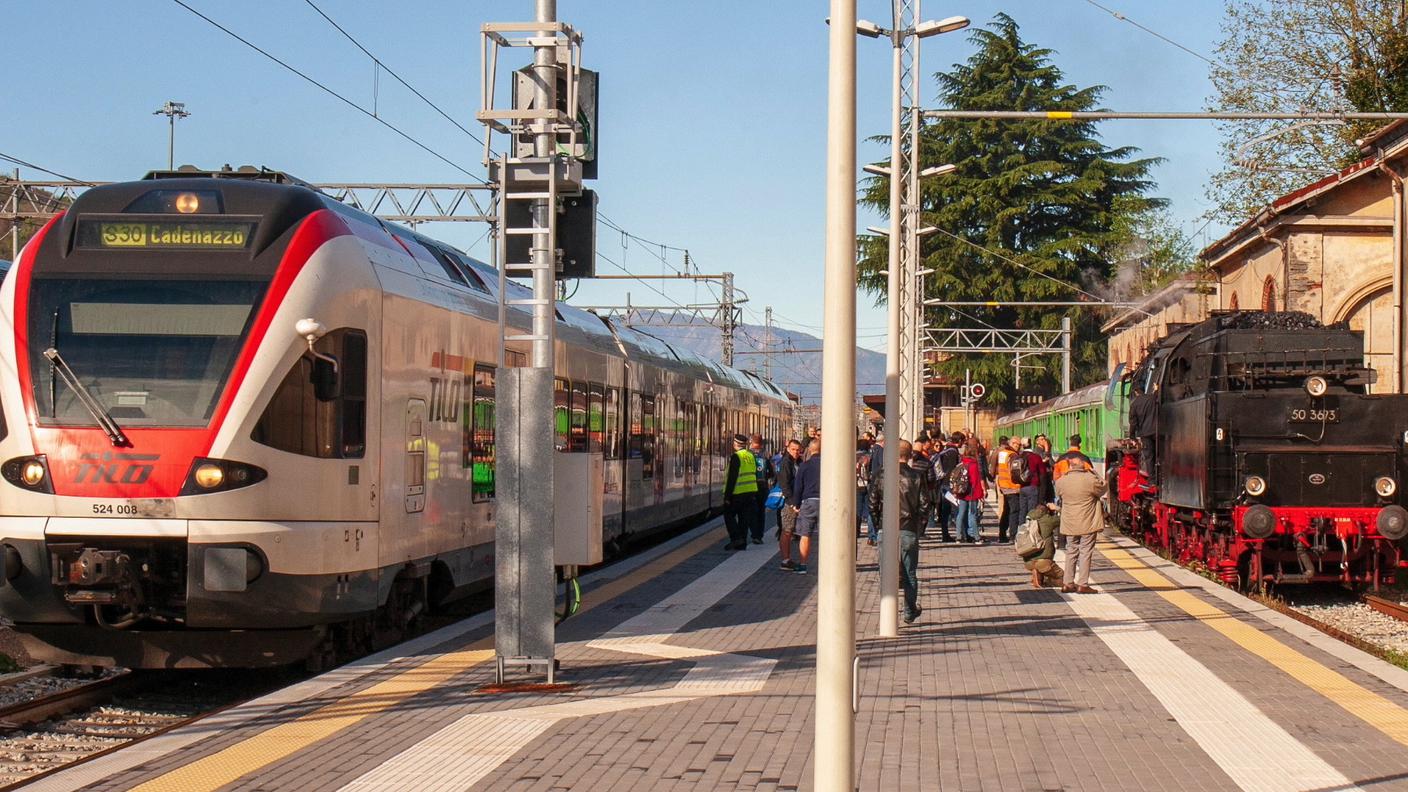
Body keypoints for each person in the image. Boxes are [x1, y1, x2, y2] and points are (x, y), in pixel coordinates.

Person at [869, 440, 933, 623]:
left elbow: (872, 503)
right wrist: (918, 526)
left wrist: (879, 524)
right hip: (908, 529)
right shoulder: (916, 476)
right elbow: (924, 505)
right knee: (909, 573)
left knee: (885, 572)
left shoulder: (880, 475)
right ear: (910, 454)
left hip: (886, 529)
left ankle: (886, 611)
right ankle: (909, 611)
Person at [1055, 457, 1105, 593]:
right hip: (1087, 522)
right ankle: (1082, 584)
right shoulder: (1090, 479)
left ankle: (1067, 583)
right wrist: (1095, 472)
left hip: (1070, 522)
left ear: (1070, 467)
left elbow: (1058, 493)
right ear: (1083, 467)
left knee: (1071, 551)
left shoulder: (1062, 481)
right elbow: (1103, 488)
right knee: (1085, 552)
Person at [722, 433, 760, 551]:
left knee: (728, 515)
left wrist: (727, 496)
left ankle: (736, 538)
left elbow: (732, 478)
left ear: (735, 444)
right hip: (751, 492)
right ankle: (742, 543)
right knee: (744, 518)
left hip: (737, 493)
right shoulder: (750, 456)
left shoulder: (736, 457)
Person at [790, 437, 822, 574]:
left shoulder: (804, 466)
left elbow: (798, 487)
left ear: (809, 450)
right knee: (826, 535)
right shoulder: (830, 464)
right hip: (825, 502)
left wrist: (796, 505)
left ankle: (803, 565)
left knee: (805, 534)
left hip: (808, 502)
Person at [1022, 502, 1064, 589]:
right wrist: (1057, 508)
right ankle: (1043, 576)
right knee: (1065, 579)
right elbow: (1067, 516)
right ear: (1047, 511)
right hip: (1044, 562)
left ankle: (1038, 575)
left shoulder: (1028, 519)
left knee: (1042, 568)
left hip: (1028, 562)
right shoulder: (1048, 520)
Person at [776, 439, 803, 570]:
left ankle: (788, 558)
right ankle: (785, 560)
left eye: (798, 450)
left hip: (797, 500)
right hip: (789, 502)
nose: (796, 452)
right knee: (786, 530)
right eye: (793, 449)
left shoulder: (798, 462)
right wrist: (792, 502)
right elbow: (784, 484)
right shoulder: (786, 463)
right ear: (788, 449)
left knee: (791, 530)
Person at [954, 438, 987, 543]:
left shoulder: (961, 462)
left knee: (961, 513)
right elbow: (976, 481)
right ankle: (976, 537)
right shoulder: (974, 465)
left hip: (962, 492)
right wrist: (981, 494)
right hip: (972, 493)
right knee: (972, 515)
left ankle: (958, 536)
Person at [1016, 439, 1049, 531]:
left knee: (1022, 511)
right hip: (1033, 486)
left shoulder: (1019, 456)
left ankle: (1021, 532)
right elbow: (1042, 473)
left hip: (1022, 487)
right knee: (1031, 512)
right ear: (1031, 445)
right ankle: (1030, 532)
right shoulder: (1036, 457)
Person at [995, 436, 1023, 542]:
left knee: (1006, 511)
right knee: (1014, 511)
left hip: (1003, 485)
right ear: (1013, 443)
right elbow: (1015, 471)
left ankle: (1002, 534)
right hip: (1012, 486)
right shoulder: (1013, 455)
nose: (1019, 447)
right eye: (1018, 445)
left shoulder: (1003, 453)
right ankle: (1013, 535)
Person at [934, 433, 961, 542]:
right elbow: (953, 471)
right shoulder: (953, 453)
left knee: (945, 511)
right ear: (959, 441)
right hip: (949, 485)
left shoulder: (945, 451)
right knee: (956, 509)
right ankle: (960, 533)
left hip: (943, 483)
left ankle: (945, 534)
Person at [750, 434, 775, 545]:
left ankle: (753, 533)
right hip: (762, 487)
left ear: (751, 442)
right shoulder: (766, 454)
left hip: (750, 487)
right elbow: (772, 472)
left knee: (751, 512)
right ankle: (758, 536)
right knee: (761, 512)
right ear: (761, 443)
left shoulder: (747, 454)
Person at [856, 434, 876, 544]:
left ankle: (856, 531)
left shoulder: (852, 456)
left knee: (857, 509)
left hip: (856, 485)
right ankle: (871, 534)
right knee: (869, 509)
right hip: (868, 484)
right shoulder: (869, 457)